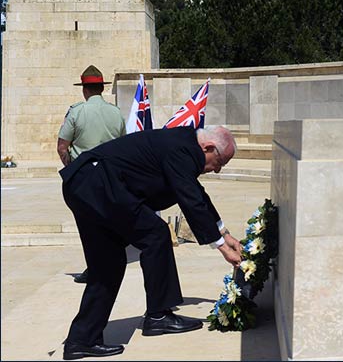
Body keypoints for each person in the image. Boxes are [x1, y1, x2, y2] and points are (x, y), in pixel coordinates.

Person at [60, 125, 243, 360]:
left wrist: (225, 234)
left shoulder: (183, 144)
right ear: (208, 147)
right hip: (99, 184)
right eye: (220, 162)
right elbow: (190, 198)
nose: (217, 170)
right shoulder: (182, 148)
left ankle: (81, 340)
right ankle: (158, 317)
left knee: (108, 264)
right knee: (155, 234)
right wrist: (221, 247)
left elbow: (196, 193)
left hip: (84, 184)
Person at [57, 65, 126, 284]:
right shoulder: (115, 112)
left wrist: (70, 168)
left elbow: (62, 146)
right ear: (101, 89)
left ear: (85, 89)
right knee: (109, 221)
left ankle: (95, 267)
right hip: (109, 175)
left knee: (88, 225)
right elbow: (123, 145)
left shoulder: (77, 112)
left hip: (83, 176)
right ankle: (109, 264)